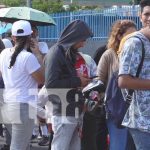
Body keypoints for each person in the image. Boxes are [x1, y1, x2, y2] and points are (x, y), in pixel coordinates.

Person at [44, 19, 93, 150]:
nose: (83, 44)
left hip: (71, 110)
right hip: (63, 112)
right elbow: (51, 84)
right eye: (82, 40)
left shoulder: (66, 52)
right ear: (75, 37)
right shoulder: (55, 53)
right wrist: (78, 81)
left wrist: (78, 80)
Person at [0, 20, 44, 150]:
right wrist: (38, 54)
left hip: (7, 105)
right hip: (23, 107)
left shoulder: (3, 54)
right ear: (31, 36)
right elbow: (42, 79)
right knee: (19, 146)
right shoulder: (28, 57)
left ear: (13, 37)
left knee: (22, 145)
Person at [97, 19, 136, 150]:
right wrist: (108, 99)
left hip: (137, 110)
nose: (133, 38)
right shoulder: (109, 54)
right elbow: (99, 81)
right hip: (117, 109)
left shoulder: (137, 53)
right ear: (119, 36)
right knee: (118, 145)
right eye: (129, 35)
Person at [118, 1, 150, 149]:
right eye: (147, 14)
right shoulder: (134, 42)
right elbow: (123, 81)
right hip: (142, 122)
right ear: (140, 16)